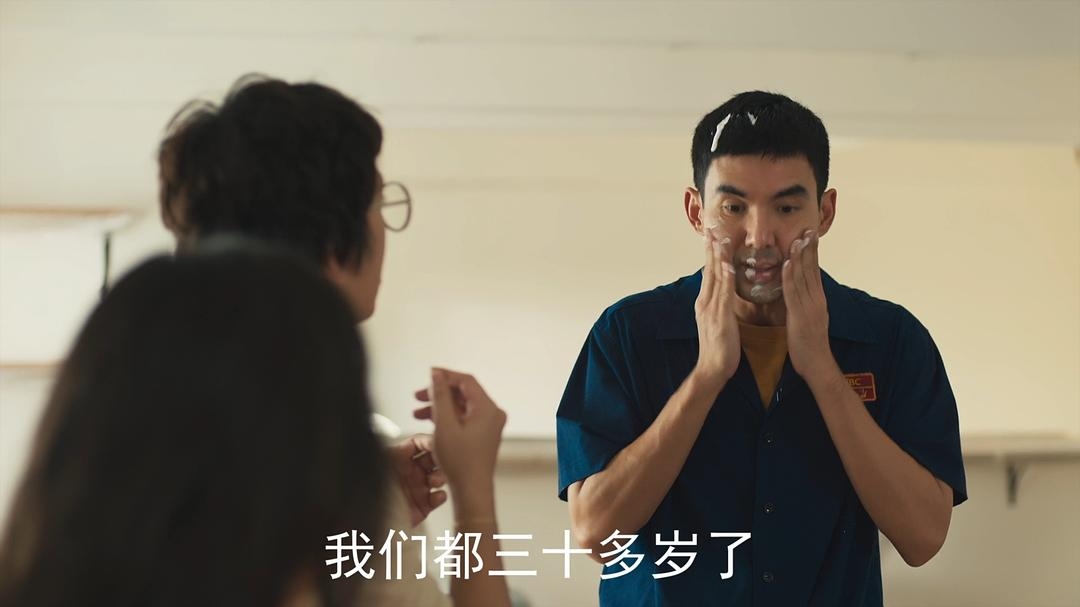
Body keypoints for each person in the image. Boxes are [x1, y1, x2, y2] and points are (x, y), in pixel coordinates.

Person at [557, 91, 967, 606]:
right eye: (733, 207)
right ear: (695, 211)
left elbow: (924, 538)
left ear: (825, 211)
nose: (759, 236)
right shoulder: (628, 335)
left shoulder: (891, 339)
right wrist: (707, 376)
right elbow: (596, 532)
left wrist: (823, 371)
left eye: (787, 207)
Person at [155, 76, 511, 606]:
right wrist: (473, 494)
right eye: (378, 203)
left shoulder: (152, 419)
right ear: (333, 245)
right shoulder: (316, 461)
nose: (385, 230)